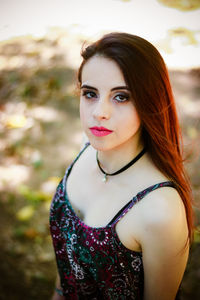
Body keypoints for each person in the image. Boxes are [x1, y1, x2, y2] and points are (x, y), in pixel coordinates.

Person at [50, 32, 194, 300]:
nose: (99, 113)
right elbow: (67, 258)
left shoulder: (160, 210)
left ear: (149, 102)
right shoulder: (87, 146)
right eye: (90, 94)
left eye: (121, 97)